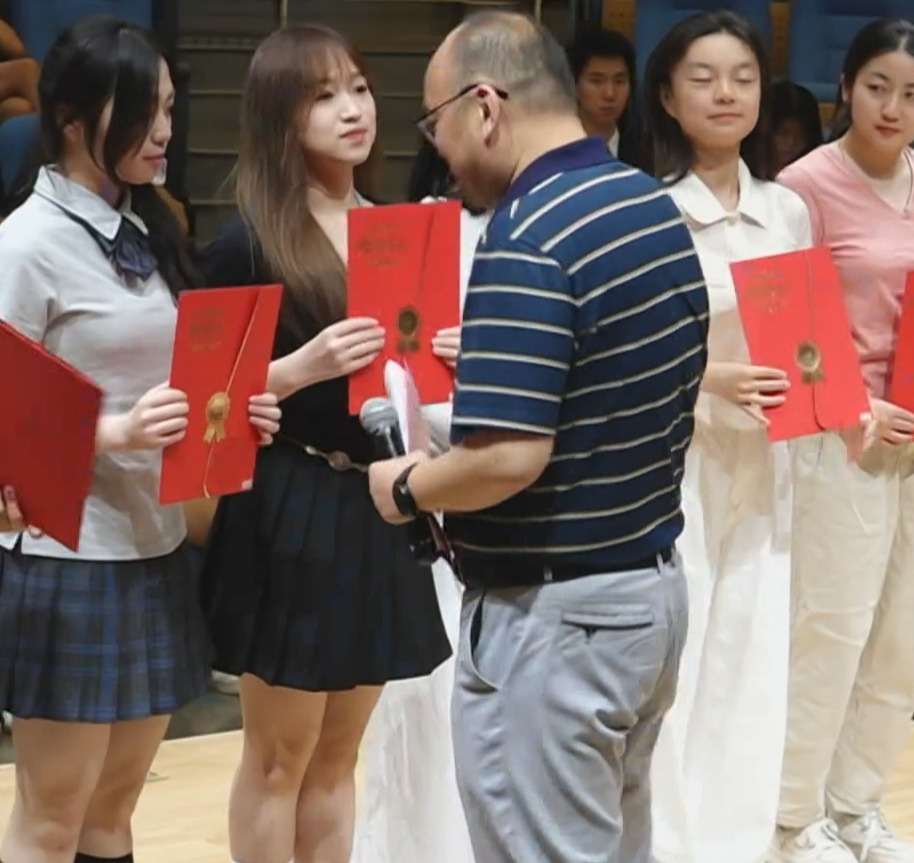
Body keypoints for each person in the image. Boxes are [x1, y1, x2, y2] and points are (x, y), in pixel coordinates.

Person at [366, 11, 706, 863]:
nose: (439, 150)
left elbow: (509, 457)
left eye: (434, 123)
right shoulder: (643, 200)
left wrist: (405, 485)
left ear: (485, 107)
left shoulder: (527, 234)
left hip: (557, 617)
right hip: (647, 593)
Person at [0, 15, 279, 863]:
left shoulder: (149, 229)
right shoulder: (25, 245)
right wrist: (115, 429)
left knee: (115, 812)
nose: (164, 129)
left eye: (167, 107)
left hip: (154, 547)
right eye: (143, 110)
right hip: (65, 558)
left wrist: (238, 409)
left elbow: (183, 380)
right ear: (75, 120)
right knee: (53, 815)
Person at [197, 25, 453, 863]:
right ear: (279, 115)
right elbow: (204, 401)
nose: (352, 110)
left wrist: (452, 359)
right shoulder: (248, 239)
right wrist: (298, 367)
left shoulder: (399, 232)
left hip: (380, 497)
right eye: (323, 95)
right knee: (278, 757)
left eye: (359, 89)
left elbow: (417, 391)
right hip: (289, 504)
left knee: (340, 756)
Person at [769, 19, 914, 863]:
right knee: (831, 627)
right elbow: (784, 323)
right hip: (839, 436)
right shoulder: (801, 185)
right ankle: (792, 818)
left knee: (901, 629)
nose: (893, 108)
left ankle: (856, 804)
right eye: (877, 88)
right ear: (846, 87)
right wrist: (853, 405)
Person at [639, 13, 812, 863]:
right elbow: (618, 348)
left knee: (752, 646)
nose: (724, 93)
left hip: (770, 459)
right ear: (667, 96)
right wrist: (710, 379)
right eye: (702, 77)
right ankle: (665, 840)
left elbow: (812, 346)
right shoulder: (644, 209)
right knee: (681, 649)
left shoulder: (788, 210)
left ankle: (737, 840)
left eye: (741, 76)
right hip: (675, 459)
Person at [352, 143, 487, 863]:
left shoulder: (541, 230)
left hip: (505, 489)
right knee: (421, 696)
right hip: (423, 482)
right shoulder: (414, 231)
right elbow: (386, 377)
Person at [567, 23, 642, 165]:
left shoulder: (649, 151)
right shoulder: (556, 151)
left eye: (619, 81)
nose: (610, 94)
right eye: (596, 81)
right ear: (573, 85)